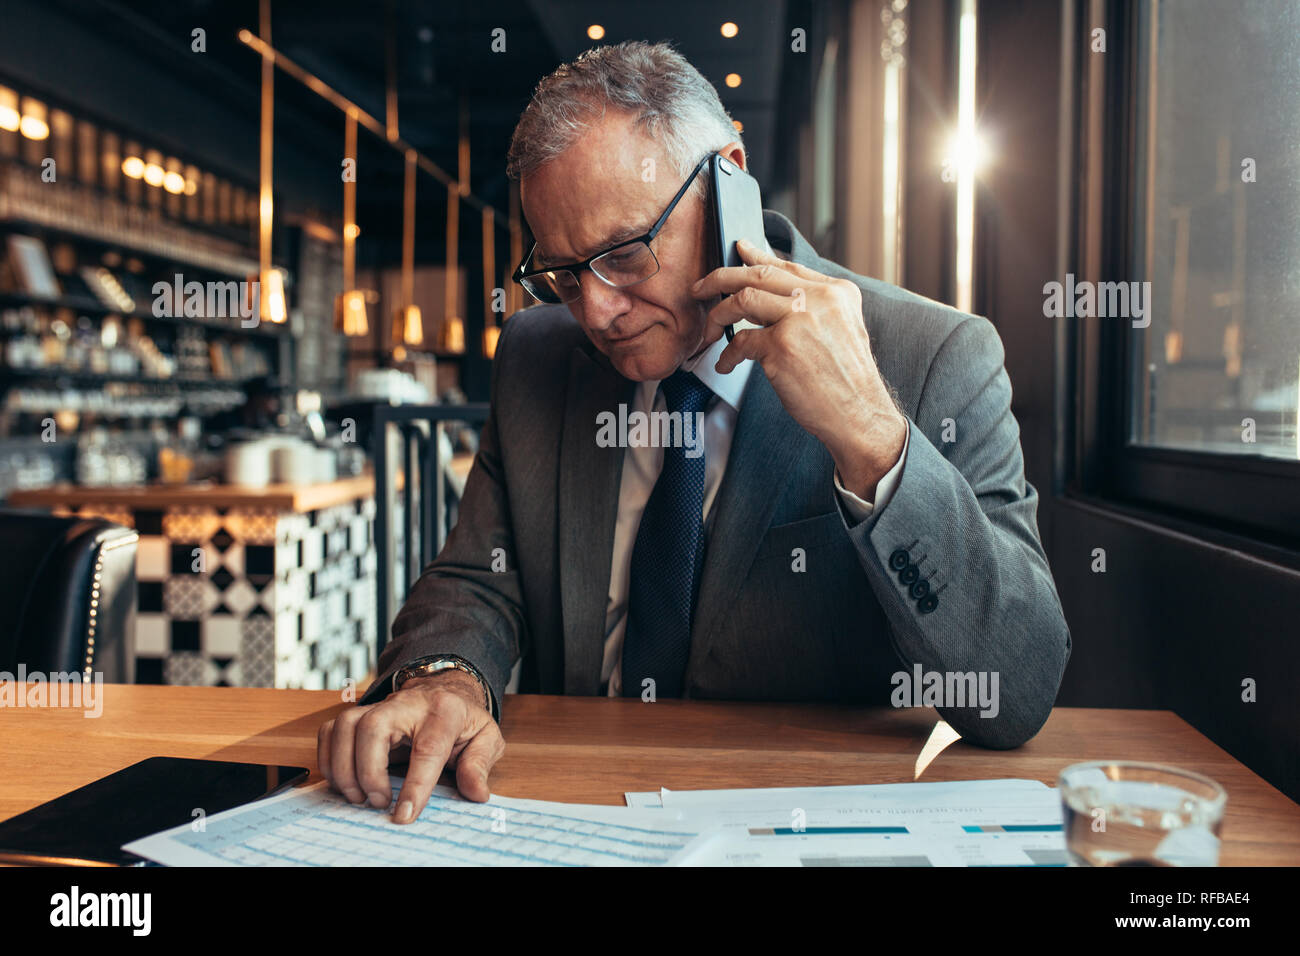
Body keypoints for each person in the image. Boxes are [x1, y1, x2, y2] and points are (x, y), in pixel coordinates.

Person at [318, 41, 1071, 823]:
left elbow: (1014, 691)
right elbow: (477, 578)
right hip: (567, 814)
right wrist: (445, 676)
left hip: (800, 825)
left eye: (625, 254)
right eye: (565, 275)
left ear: (728, 180)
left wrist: (874, 437)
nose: (597, 311)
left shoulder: (934, 357)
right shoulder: (539, 357)